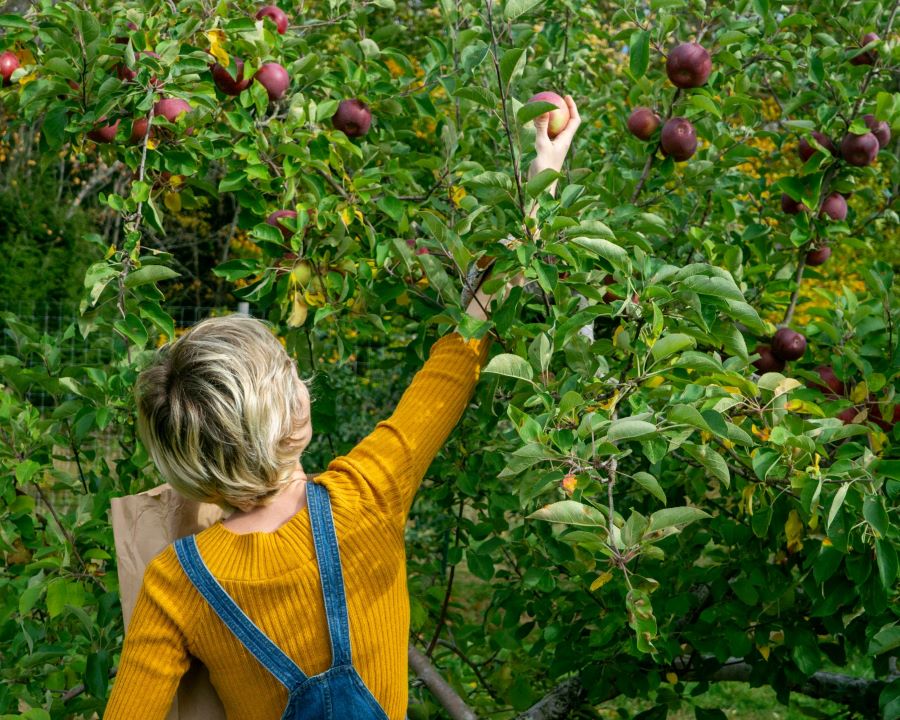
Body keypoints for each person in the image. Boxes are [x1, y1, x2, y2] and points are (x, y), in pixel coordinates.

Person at [103, 96, 581, 720]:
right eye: (290, 376)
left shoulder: (176, 583)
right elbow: (454, 364)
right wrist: (538, 177)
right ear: (292, 417)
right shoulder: (368, 495)